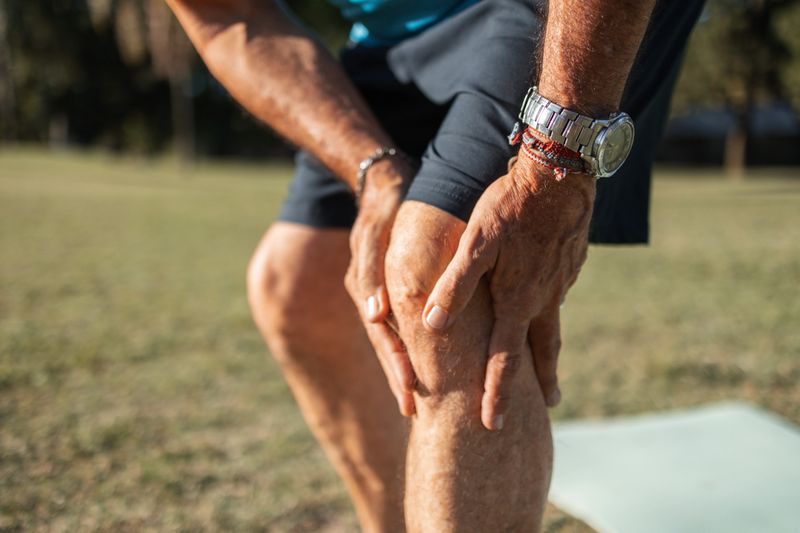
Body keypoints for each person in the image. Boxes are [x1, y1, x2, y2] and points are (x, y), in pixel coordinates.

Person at [166, 0, 705, 530]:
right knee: (298, 285)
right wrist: (375, 175)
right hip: (390, 34)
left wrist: (555, 160)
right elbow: (228, 18)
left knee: (444, 282)